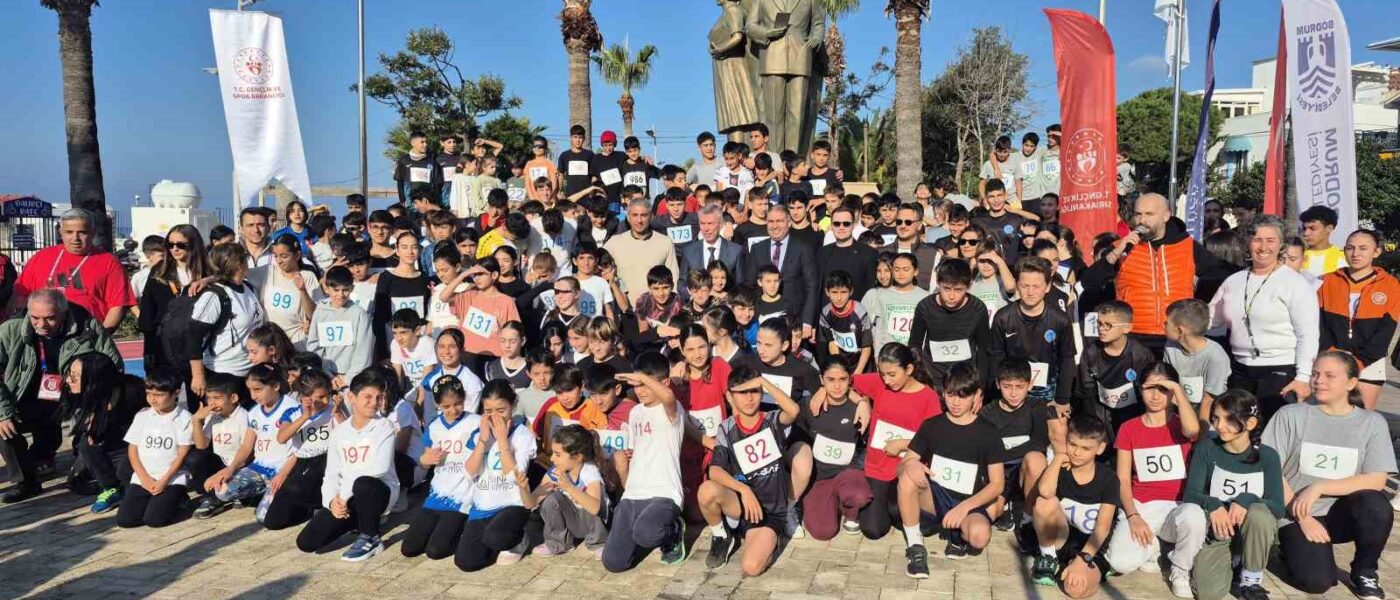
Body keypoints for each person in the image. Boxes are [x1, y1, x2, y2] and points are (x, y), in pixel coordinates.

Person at [1264, 350, 1395, 598]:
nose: (1319, 381)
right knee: (1317, 582)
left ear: (1351, 383)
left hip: (1342, 513)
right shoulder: (1290, 415)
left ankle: (1365, 571)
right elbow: (1269, 469)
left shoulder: (1372, 422)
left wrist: (1319, 487)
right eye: (1315, 374)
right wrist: (1302, 517)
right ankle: (1287, 550)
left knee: (1376, 505)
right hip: (1295, 511)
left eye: (1329, 376)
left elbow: (1377, 480)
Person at [0, 288, 122, 502]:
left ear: (64, 314)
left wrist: (100, 408)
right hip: (26, 394)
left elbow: (113, 366)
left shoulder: (88, 326)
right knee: (3, 427)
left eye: (49, 318)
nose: (41, 324)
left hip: (74, 396)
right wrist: (3, 412)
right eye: (35, 318)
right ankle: (26, 482)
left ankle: (81, 471)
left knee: (91, 432)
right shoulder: (10, 329)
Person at [1102, 363, 1203, 598]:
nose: (1156, 396)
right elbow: (1123, 478)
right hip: (1142, 506)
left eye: (1163, 389)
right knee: (1119, 563)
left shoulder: (1181, 424)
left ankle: (1180, 569)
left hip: (1176, 507)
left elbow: (1193, 430)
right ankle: (1155, 546)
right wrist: (1132, 515)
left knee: (1195, 516)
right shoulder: (1129, 428)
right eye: (1149, 388)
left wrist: (1177, 391)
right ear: (1140, 389)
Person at [897, 362, 1004, 577]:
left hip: (969, 501)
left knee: (979, 537)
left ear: (977, 395)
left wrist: (963, 508)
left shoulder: (989, 432)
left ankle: (958, 533)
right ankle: (915, 546)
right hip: (935, 497)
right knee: (908, 474)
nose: (955, 402)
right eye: (950, 394)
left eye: (963, 396)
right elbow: (903, 464)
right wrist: (911, 463)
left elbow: (997, 484)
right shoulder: (932, 425)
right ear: (943, 392)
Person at [1209, 215, 1318, 422]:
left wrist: (1303, 377)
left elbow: (1308, 334)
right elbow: (1211, 320)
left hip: (1280, 371)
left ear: (1281, 244)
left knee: (1273, 432)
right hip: (1239, 370)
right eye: (1257, 239)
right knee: (1239, 430)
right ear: (1247, 243)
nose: (1263, 247)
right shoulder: (1233, 281)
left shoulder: (1295, 283)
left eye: (1270, 240)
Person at [1082, 193, 1217, 354]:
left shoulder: (1187, 246)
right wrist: (1116, 253)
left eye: (1149, 214)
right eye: (1138, 214)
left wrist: (1195, 303)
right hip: (1134, 336)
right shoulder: (1122, 247)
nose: (1142, 220)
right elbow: (1089, 282)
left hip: (1177, 335)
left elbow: (1218, 276)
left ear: (1166, 216)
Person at [699, 366, 802, 575]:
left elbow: (793, 411)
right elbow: (715, 470)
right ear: (730, 396)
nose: (749, 398)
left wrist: (764, 382)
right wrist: (744, 490)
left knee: (751, 568)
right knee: (706, 490)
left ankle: (770, 539)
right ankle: (722, 535)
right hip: (740, 505)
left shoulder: (771, 420)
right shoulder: (726, 427)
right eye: (742, 392)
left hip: (769, 512)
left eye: (754, 391)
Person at [1182, 390, 1284, 600]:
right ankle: (1235, 559)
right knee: (1208, 594)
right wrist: (1213, 504)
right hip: (1220, 530)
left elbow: (1277, 507)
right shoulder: (1207, 448)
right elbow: (1191, 494)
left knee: (1259, 514)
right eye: (1216, 418)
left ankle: (1251, 582)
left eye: (1229, 419)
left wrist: (1246, 498)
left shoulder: (1268, 456)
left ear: (1250, 423)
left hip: (1253, 530)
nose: (1220, 425)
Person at [296, 371, 398, 562]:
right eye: (368, 397)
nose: (374, 402)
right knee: (306, 542)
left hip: (378, 492)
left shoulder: (384, 427)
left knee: (364, 483)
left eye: (378, 397)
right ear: (351, 398)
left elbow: (380, 469)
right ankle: (357, 521)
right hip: (346, 498)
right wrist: (331, 502)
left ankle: (371, 537)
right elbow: (331, 473)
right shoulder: (340, 431)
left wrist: (343, 496)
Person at [601, 359, 689, 572]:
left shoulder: (672, 409)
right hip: (633, 494)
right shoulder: (635, 412)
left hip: (664, 493)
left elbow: (668, 396)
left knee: (646, 534)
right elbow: (634, 453)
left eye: (645, 384)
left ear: (664, 382)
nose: (639, 390)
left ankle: (673, 530)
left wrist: (641, 376)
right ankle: (643, 534)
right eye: (636, 385)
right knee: (613, 563)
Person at [855, 344, 943, 540]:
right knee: (873, 530)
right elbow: (845, 381)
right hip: (877, 468)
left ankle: (899, 509)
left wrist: (904, 443)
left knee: (923, 526)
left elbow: (937, 439)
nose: (886, 380)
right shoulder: (880, 383)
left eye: (892, 374)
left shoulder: (928, 397)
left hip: (906, 470)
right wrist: (862, 401)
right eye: (882, 374)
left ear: (909, 369)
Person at [1028, 415, 1118, 599]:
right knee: (1044, 502)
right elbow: (1045, 491)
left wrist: (1083, 559)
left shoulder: (1108, 479)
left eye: (1086, 448)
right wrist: (1058, 458)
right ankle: (1048, 558)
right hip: (1061, 541)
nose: (1077, 452)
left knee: (1075, 590)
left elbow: (1103, 527)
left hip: (1090, 549)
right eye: (1072, 444)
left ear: (1100, 448)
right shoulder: (1062, 469)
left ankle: (1092, 570)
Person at [193, 364, 296, 519]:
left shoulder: (292, 408)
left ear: (275, 386)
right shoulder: (254, 412)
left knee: (265, 518)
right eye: (250, 390)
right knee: (222, 491)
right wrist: (229, 469)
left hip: (281, 469)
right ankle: (259, 493)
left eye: (258, 389)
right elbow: (247, 446)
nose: (253, 396)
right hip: (259, 469)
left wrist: (282, 475)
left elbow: (298, 450)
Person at [454, 380, 537, 571]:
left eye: (501, 410)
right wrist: (484, 439)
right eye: (489, 411)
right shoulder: (479, 434)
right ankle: (495, 540)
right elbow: (469, 473)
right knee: (466, 562)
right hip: (484, 504)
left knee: (496, 537)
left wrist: (501, 440)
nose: (495, 416)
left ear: (512, 406)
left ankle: (518, 540)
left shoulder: (523, 435)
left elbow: (514, 477)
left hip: (513, 503)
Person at [9, 208, 135, 330]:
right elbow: (20, 295)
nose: (75, 238)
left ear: (93, 232)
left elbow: (118, 306)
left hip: (86, 334)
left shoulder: (109, 262)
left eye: (82, 232)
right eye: (69, 232)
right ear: (61, 232)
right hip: (41, 332)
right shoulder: (42, 257)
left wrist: (101, 336)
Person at [1317, 229, 1399, 411]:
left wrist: (1359, 362)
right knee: (1328, 415)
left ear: (1376, 252)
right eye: (1350, 248)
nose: (1355, 254)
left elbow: (1385, 331)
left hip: (1369, 363)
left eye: (1363, 248)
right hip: (1332, 359)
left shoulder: (1391, 285)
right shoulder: (1326, 281)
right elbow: (1319, 324)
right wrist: (1333, 355)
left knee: (1361, 418)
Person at [400, 375, 481, 560]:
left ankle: (463, 529)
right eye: (446, 406)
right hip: (437, 494)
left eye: (458, 403)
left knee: (435, 551)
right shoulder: (434, 426)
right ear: (437, 405)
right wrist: (424, 460)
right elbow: (425, 461)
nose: (453, 410)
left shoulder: (476, 422)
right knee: (409, 549)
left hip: (462, 497)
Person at [978, 359, 1054, 550]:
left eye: (1020, 387)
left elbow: (1039, 442)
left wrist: (1003, 452)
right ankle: (1004, 506)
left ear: (1030, 384)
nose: (1013, 393)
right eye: (1007, 386)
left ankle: (1027, 521)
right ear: (998, 384)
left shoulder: (1037, 407)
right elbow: (983, 449)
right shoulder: (987, 412)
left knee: (1036, 458)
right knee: (985, 519)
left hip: (1025, 473)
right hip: (998, 476)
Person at [797, 358, 872, 540]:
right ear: (821, 380)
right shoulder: (810, 404)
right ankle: (829, 503)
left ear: (850, 379)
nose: (837, 386)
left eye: (842, 379)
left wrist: (864, 402)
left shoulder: (859, 407)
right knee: (823, 532)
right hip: (819, 478)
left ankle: (850, 511)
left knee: (859, 495)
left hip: (848, 474)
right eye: (830, 380)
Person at [988, 257, 1074, 407]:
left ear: (1047, 287)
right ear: (1017, 285)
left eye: (1036, 286)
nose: (1030, 292)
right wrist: (997, 397)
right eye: (1025, 286)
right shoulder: (1003, 317)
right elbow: (996, 358)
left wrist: (1062, 400)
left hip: (1047, 391)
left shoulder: (1060, 320)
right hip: (1012, 390)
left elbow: (1067, 360)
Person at [68, 351, 146, 514]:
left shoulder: (133, 392)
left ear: (94, 377)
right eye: (70, 374)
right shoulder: (83, 392)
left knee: (126, 472)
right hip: (115, 438)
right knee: (86, 444)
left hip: (142, 441)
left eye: (75, 375)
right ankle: (110, 488)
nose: (69, 379)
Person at [262, 369, 340, 531]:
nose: (326, 400)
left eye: (328, 395)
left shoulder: (333, 409)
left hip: (328, 460)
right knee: (272, 521)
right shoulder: (293, 413)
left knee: (309, 482)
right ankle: (308, 510)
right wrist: (305, 416)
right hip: (301, 462)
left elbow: (348, 433)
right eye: (320, 397)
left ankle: (323, 506)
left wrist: (338, 413)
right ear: (305, 397)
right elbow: (282, 438)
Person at [116, 370, 193, 527]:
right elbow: (133, 450)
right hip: (144, 477)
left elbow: (182, 454)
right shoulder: (142, 416)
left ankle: (179, 499)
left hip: (171, 479)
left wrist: (164, 480)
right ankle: (154, 501)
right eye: (149, 393)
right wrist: (143, 478)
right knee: (126, 520)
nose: (152, 399)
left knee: (155, 520)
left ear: (176, 393)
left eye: (159, 395)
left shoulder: (185, 418)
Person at [1074, 300, 1157, 443]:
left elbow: (1147, 391)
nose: (1101, 329)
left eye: (1108, 325)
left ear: (1127, 328)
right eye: (1099, 323)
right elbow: (1087, 391)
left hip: (1133, 415)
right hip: (1101, 414)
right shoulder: (1090, 352)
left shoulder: (1141, 355)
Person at [527, 424, 609, 559]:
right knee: (550, 499)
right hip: (575, 523)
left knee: (591, 499)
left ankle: (598, 543)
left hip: (593, 522)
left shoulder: (590, 471)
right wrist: (523, 489)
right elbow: (531, 502)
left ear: (578, 457)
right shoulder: (555, 471)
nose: (552, 459)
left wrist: (569, 487)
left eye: (558, 455)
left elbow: (595, 508)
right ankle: (559, 543)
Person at [907, 259, 990, 392]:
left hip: (966, 381)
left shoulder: (978, 309)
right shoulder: (925, 307)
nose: (951, 296)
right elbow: (914, 345)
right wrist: (920, 379)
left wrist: (980, 388)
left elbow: (983, 350)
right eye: (946, 288)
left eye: (958, 290)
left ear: (968, 286)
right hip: (932, 380)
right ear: (938, 283)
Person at [747, 204, 820, 337]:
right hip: (764, 319)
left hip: (795, 320)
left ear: (789, 222)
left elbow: (812, 286)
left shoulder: (803, 249)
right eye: (771, 221)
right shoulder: (757, 249)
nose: (774, 226)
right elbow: (750, 284)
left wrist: (808, 321)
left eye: (779, 221)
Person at [441, 257, 521, 377]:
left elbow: (513, 332)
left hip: (493, 357)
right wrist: (464, 274)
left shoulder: (506, 302)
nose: (476, 278)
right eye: (474, 275)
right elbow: (443, 297)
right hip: (466, 354)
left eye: (481, 274)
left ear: (494, 275)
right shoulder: (469, 295)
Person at [1163, 298, 1232, 426]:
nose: (1163, 326)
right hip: (1178, 413)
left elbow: (1208, 401)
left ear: (1180, 330)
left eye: (1166, 323)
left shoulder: (1216, 357)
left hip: (1207, 420)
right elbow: (1169, 385)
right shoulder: (1170, 346)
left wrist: (1201, 434)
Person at [306, 266, 374, 385]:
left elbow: (364, 351)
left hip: (351, 378)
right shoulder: (320, 312)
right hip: (325, 377)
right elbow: (314, 346)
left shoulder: (360, 314)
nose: (341, 295)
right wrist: (326, 374)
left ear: (352, 288)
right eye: (336, 290)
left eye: (345, 290)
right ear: (327, 288)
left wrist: (348, 378)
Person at [251, 235, 322, 349]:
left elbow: (315, 314)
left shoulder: (308, 277)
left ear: (297, 255)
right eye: (275, 256)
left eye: (284, 256)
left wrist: (302, 290)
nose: (279, 261)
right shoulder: (267, 271)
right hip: (271, 344)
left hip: (297, 344)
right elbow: (241, 272)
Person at [605, 198, 680, 305]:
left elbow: (674, 278)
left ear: (651, 216)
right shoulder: (614, 243)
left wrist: (673, 307)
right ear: (628, 217)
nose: (639, 220)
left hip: (656, 309)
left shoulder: (665, 242)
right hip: (624, 309)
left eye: (644, 215)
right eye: (635, 215)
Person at [861, 253, 927, 353]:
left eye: (905, 269)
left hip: (914, 354)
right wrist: (877, 355)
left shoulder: (925, 297)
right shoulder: (881, 295)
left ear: (915, 271)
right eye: (897, 270)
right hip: (888, 354)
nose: (901, 273)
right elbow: (879, 329)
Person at [816, 206, 879, 300]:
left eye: (846, 224)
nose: (841, 227)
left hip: (858, 308)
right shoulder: (822, 253)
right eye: (837, 224)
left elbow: (871, 291)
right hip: (827, 308)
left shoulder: (869, 254)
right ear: (831, 226)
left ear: (853, 225)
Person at [816, 271, 873, 373]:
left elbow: (866, 346)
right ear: (827, 292)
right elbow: (832, 342)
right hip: (841, 364)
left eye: (843, 292)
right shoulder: (825, 313)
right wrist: (840, 367)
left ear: (851, 292)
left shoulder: (860, 312)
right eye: (834, 292)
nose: (839, 298)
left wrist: (858, 371)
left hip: (861, 365)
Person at [879, 205, 940, 289]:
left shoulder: (932, 254)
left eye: (908, 222)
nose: (903, 226)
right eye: (899, 222)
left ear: (919, 225)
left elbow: (935, 288)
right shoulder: (880, 252)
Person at [679, 204, 747, 278]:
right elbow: (682, 281)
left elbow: (741, 281)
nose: (706, 229)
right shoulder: (689, 251)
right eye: (702, 223)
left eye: (710, 223)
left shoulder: (735, 251)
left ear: (721, 224)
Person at [393, 131, 441, 210]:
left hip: (428, 204)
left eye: (426, 142)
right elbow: (400, 182)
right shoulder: (404, 160)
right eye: (422, 142)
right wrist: (402, 201)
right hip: (410, 205)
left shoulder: (432, 162)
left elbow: (437, 185)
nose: (425, 144)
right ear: (413, 143)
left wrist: (434, 202)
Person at [1299, 206, 1345, 278]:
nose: (1306, 233)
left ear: (1329, 228)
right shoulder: (1296, 256)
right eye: (1304, 228)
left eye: (1312, 228)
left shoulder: (1343, 258)